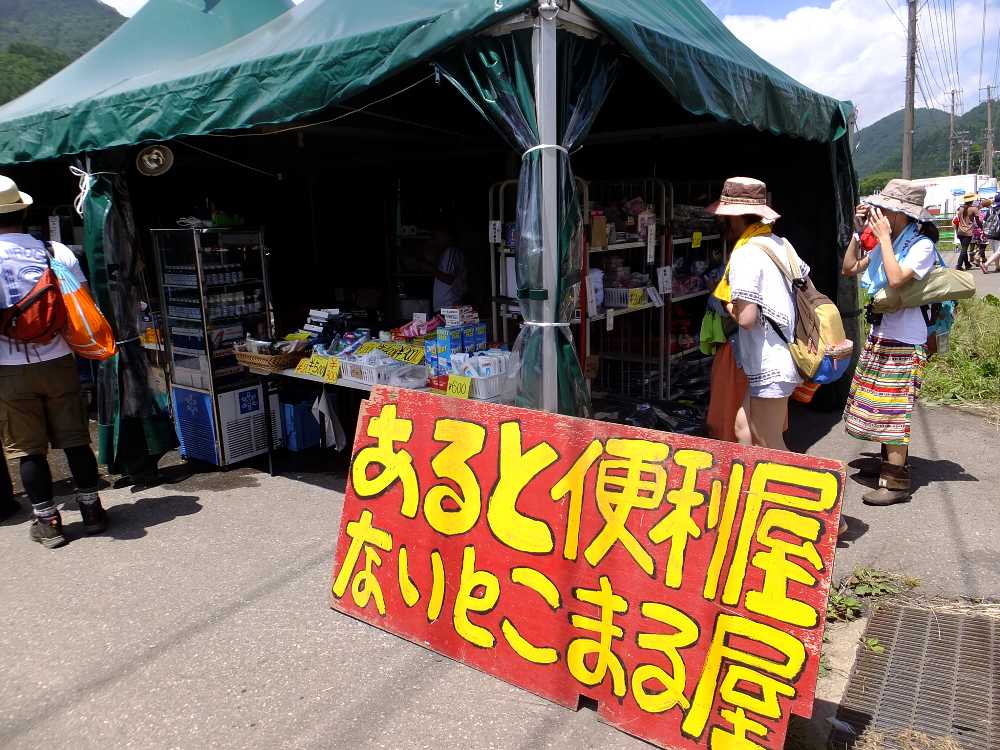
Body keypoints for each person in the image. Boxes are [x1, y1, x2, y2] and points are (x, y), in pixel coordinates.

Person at [0, 175, 108, 548]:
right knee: (76, 439)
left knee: (28, 449)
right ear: (23, 210)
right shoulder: (55, 251)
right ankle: (92, 511)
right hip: (59, 358)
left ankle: (49, 522)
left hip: (9, 369)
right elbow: (81, 302)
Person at [841, 179, 938, 506]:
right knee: (878, 406)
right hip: (883, 336)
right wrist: (859, 234)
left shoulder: (921, 246)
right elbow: (849, 268)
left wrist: (881, 239)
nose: (878, 212)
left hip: (905, 342)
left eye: (885, 209)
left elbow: (896, 280)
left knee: (894, 410)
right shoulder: (890, 243)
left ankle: (895, 482)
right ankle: (888, 464)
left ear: (901, 214)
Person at [707, 177, 802, 451]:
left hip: (770, 361)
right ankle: (751, 491)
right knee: (744, 429)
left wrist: (726, 304)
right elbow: (806, 289)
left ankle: (789, 491)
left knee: (767, 439)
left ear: (734, 217)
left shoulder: (746, 253)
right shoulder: (781, 244)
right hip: (782, 355)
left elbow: (746, 319)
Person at [429, 224, 467, 312]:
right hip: (448, 305)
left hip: (449, 305)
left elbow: (448, 279)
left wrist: (425, 267)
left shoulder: (451, 252)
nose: (436, 238)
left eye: (438, 235)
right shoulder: (449, 252)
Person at [953, 193, 979, 270]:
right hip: (968, 232)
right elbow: (978, 221)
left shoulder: (960, 208)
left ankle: (967, 264)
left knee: (964, 248)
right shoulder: (974, 209)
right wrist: (981, 228)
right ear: (972, 200)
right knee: (964, 250)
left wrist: (957, 231)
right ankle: (959, 265)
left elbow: (957, 221)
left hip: (960, 231)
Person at [980, 198, 1000, 273]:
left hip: (989, 232)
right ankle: (986, 264)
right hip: (998, 232)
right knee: (999, 251)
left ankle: (997, 267)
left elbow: (984, 221)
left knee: (995, 251)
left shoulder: (990, 209)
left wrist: (984, 232)